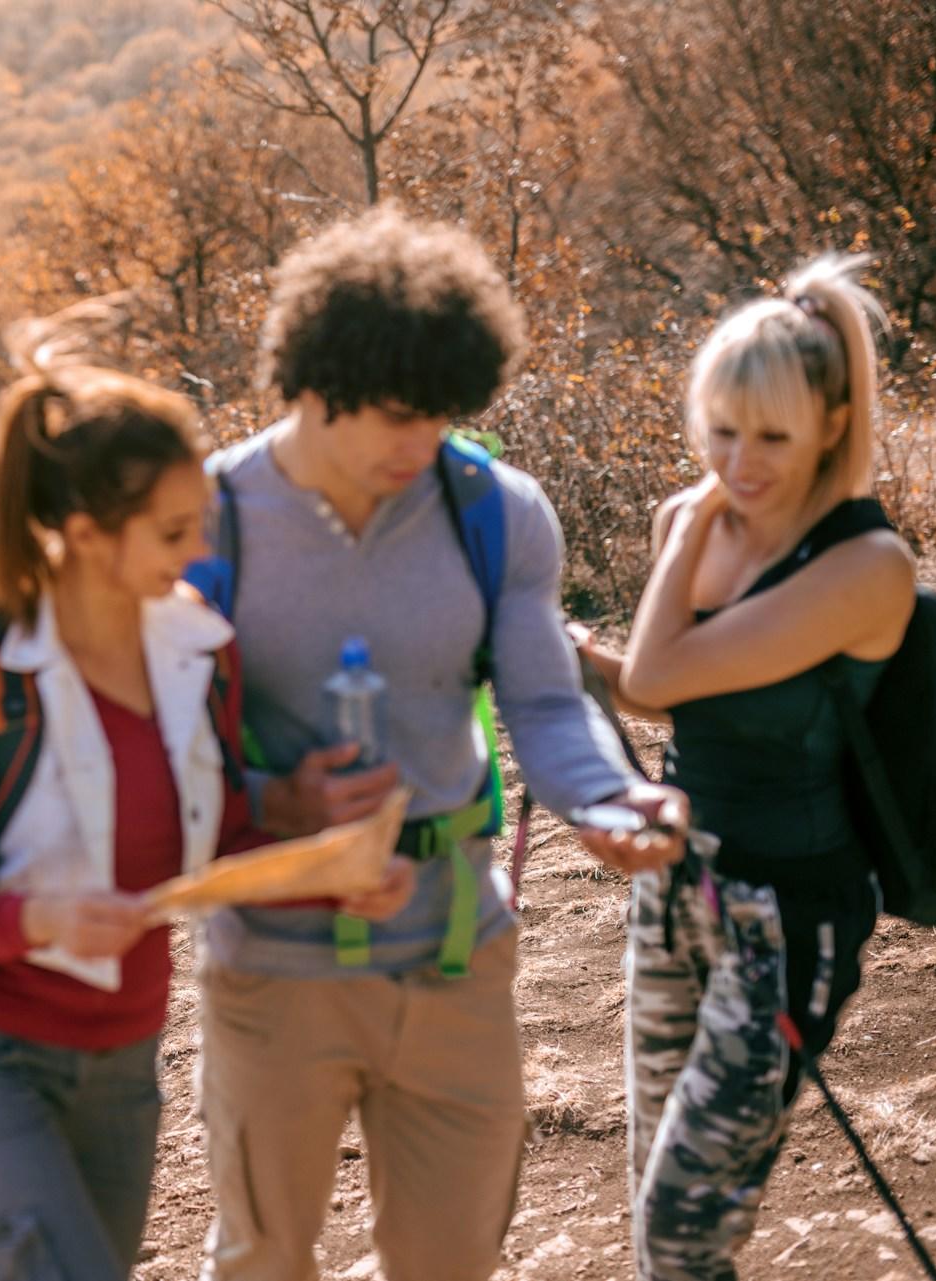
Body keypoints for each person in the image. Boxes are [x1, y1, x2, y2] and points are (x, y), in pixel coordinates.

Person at [193, 207, 688, 1281]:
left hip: (454, 951)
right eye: (399, 416)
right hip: (273, 968)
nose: (424, 447)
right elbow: (159, 749)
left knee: (453, 1261)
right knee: (261, 1261)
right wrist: (278, 805)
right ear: (314, 380)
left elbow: (548, 707)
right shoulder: (206, 517)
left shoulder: (497, 511)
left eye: (445, 417)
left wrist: (607, 800)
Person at [0, 337, 418, 1281]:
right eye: (175, 532)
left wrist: (336, 878)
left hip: (123, 1067)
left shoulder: (200, 651)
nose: (202, 552)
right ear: (86, 530)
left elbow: (214, 844)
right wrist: (42, 919)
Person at [577, 258, 914, 1280]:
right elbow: (667, 693)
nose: (740, 461)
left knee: (683, 1231)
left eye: (771, 435)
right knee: (655, 1207)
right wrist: (563, 652)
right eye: (721, 430)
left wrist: (684, 530)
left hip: (787, 919)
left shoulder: (866, 567)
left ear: (834, 421)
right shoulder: (704, 522)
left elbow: (664, 665)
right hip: (678, 890)